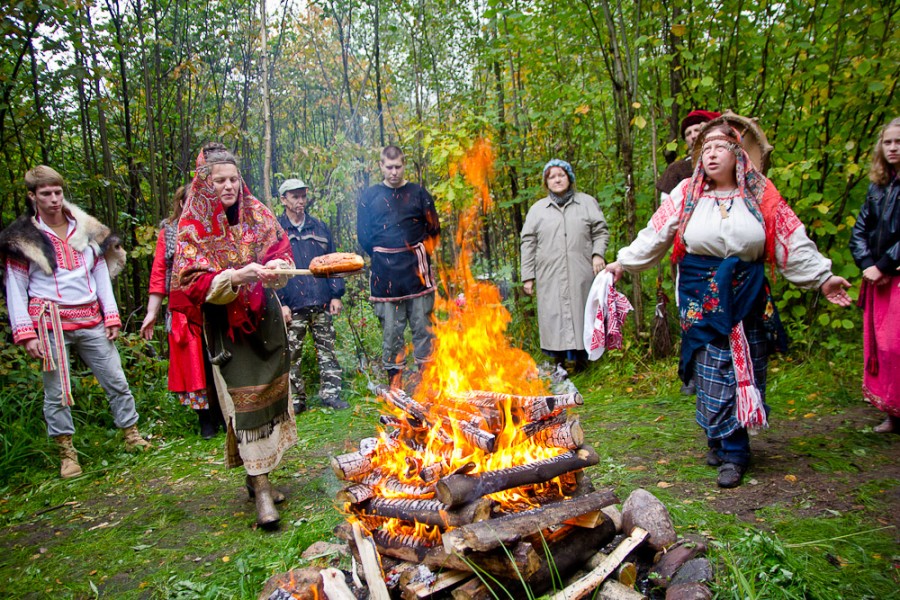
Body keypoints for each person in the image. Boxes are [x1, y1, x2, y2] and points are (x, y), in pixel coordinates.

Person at [606, 119, 852, 489]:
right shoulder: (686, 194)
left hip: (746, 292)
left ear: (738, 155)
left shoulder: (760, 194)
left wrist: (823, 277)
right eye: (705, 149)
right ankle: (718, 437)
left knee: (742, 368)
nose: (711, 154)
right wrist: (622, 263)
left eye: (720, 147)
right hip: (700, 295)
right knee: (709, 369)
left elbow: (791, 240)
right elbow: (654, 234)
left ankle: (735, 451)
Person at [169, 143, 296, 528]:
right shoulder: (191, 225)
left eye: (233, 179)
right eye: (220, 180)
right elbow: (189, 281)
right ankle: (261, 490)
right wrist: (230, 277)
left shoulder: (258, 212)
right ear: (205, 183)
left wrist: (274, 268)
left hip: (265, 320)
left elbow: (282, 252)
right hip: (226, 327)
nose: (228, 186)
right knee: (243, 406)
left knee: (273, 398)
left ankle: (258, 475)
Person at [0, 166, 151, 479]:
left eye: (57, 192)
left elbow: (99, 271)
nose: (54, 199)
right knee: (56, 391)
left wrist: (110, 313)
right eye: (46, 194)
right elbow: (15, 285)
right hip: (49, 320)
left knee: (115, 378)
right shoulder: (23, 237)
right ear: (33, 196)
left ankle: (131, 434)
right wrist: (26, 333)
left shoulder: (85, 227)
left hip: (90, 317)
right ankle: (67, 453)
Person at [140, 186, 225, 439]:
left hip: (213, 301)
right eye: (191, 201)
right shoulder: (169, 232)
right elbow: (159, 274)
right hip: (183, 310)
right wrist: (151, 312)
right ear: (181, 203)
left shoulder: (216, 228)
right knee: (195, 366)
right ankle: (206, 420)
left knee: (218, 359)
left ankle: (225, 414)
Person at [357, 145, 441, 388]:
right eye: (389, 167)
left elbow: (433, 229)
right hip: (386, 274)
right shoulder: (370, 197)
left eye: (398, 167)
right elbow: (364, 236)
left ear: (404, 165)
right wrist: (385, 253)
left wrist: (419, 253)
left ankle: (427, 385)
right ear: (381, 166)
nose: (394, 172)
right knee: (392, 333)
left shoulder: (419, 194)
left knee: (422, 328)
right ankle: (395, 387)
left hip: (417, 272)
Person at [521, 159, 609, 374]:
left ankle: (584, 363)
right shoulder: (537, 210)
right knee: (553, 315)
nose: (557, 179)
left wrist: (598, 254)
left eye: (561, 174)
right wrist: (528, 276)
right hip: (549, 272)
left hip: (581, 269)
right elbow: (528, 242)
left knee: (582, 313)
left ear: (569, 178)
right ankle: (557, 363)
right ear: (546, 182)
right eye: (552, 176)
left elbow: (600, 231)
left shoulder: (587, 202)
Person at [275, 178, 348, 412]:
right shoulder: (276, 230)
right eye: (295, 196)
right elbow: (271, 269)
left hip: (321, 300)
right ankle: (296, 400)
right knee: (291, 354)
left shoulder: (319, 227)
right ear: (283, 200)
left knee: (327, 351)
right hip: (293, 304)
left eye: (303, 196)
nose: (300, 201)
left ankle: (331, 394)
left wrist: (336, 295)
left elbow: (334, 262)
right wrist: (281, 303)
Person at [849, 117, 900, 433]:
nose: (893, 148)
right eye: (888, 142)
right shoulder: (878, 185)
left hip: (894, 275)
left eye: (899, 142)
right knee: (881, 347)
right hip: (878, 278)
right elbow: (860, 229)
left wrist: (883, 265)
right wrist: (868, 263)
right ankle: (893, 414)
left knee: (897, 344)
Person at [657, 110, 722, 195]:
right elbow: (666, 204)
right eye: (688, 133)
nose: (693, 136)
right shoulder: (676, 169)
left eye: (697, 130)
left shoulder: (725, 162)